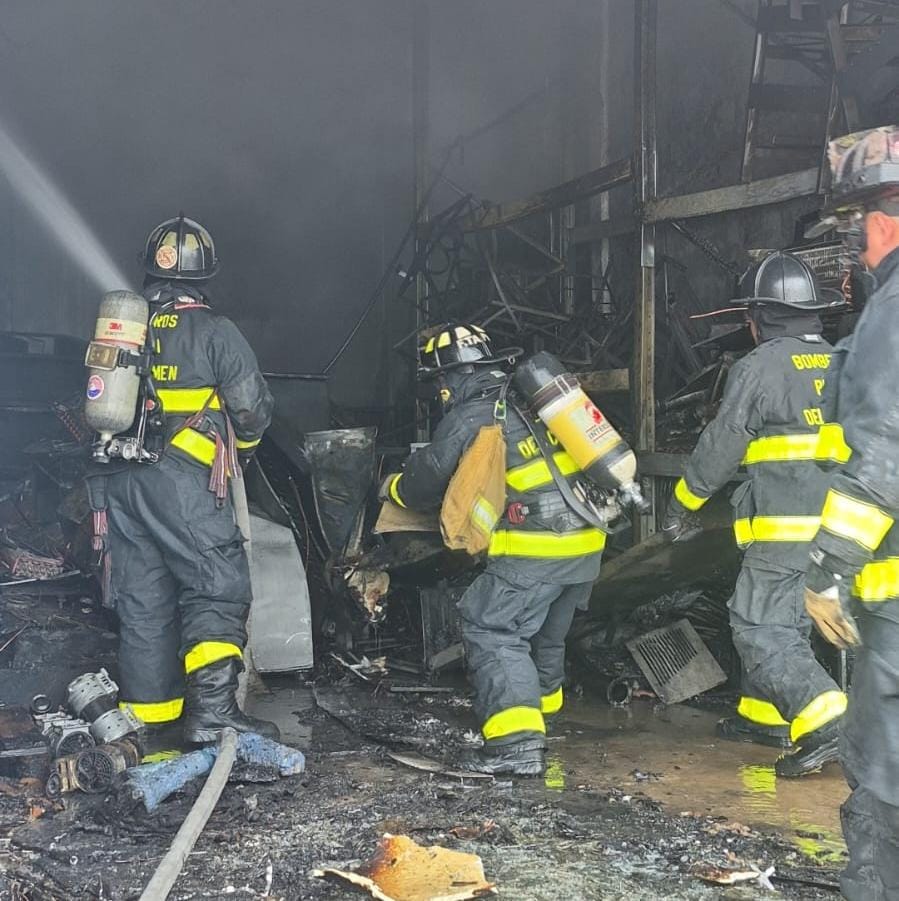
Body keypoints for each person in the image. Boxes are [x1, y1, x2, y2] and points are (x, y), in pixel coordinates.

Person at [381, 324, 607, 776]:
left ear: (454, 377)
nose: (440, 392)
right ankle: (542, 720)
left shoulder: (472, 414)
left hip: (536, 547)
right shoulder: (535, 401)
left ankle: (516, 744)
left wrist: (394, 488)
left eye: (440, 382)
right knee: (544, 635)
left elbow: (426, 480)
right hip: (586, 544)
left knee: (491, 627)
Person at [87, 214, 278, 746]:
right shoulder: (215, 331)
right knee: (217, 585)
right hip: (184, 483)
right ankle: (215, 713)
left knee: (144, 601)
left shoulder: (127, 329)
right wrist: (240, 454)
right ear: (204, 275)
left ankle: (150, 722)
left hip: (120, 481)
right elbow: (252, 410)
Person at [662, 251, 848, 777]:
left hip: (785, 530)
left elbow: (722, 443)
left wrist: (683, 503)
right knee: (789, 621)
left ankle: (827, 722)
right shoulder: (843, 363)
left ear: (758, 317)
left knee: (759, 624)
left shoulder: (759, 366)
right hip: (842, 532)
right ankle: (763, 718)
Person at [801, 125, 899, 900]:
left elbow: (881, 453)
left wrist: (825, 569)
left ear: (881, 218)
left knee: (879, 755)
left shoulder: (892, 311)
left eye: (853, 221)